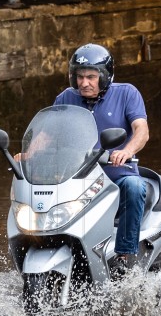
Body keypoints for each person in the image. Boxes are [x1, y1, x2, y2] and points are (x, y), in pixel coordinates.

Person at [54, 43, 149, 275]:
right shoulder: (66, 98)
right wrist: (30, 153)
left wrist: (126, 151)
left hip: (117, 178)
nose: (84, 83)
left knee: (135, 187)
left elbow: (141, 130)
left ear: (104, 77)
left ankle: (124, 257)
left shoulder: (127, 93)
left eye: (91, 77)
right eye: (79, 76)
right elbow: (48, 135)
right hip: (78, 180)